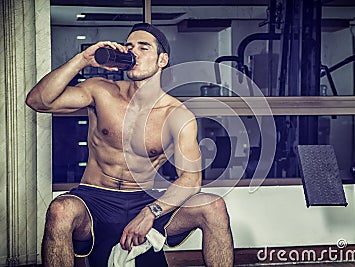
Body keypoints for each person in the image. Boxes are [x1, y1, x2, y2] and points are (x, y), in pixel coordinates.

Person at [26, 23, 234, 267]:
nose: (133, 52)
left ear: (162, 60)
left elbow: (191, 180)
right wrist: (83, 59)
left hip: (144, 198)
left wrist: (150, 212)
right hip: (95, 198)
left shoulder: (176, 114)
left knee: (214, 207)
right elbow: (38, 100)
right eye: (129, 46)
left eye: (143, 48)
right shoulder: (101, 91)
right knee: (60, 210)